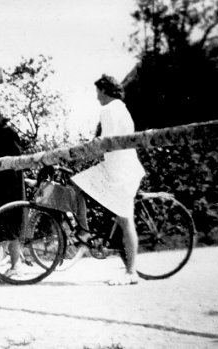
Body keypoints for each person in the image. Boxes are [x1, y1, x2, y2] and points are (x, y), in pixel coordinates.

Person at [71, 74, 146, 286]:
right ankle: (85, 231)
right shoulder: (120, 108)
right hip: (116, 166)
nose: (96, 97)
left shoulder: (110, 109)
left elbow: (107, 140)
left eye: (97, 92)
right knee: (78, 183)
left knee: (125, 218)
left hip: (120, 170)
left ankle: (131, 272)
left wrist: (85, 152)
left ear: (105, 91)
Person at [0, 104, 25, 279]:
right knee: (5, 224)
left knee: (9, 223)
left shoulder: (9, 133)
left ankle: (2, 265)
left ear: (3, 116)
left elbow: (17, 159)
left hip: (12, 185)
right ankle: (15, 264)